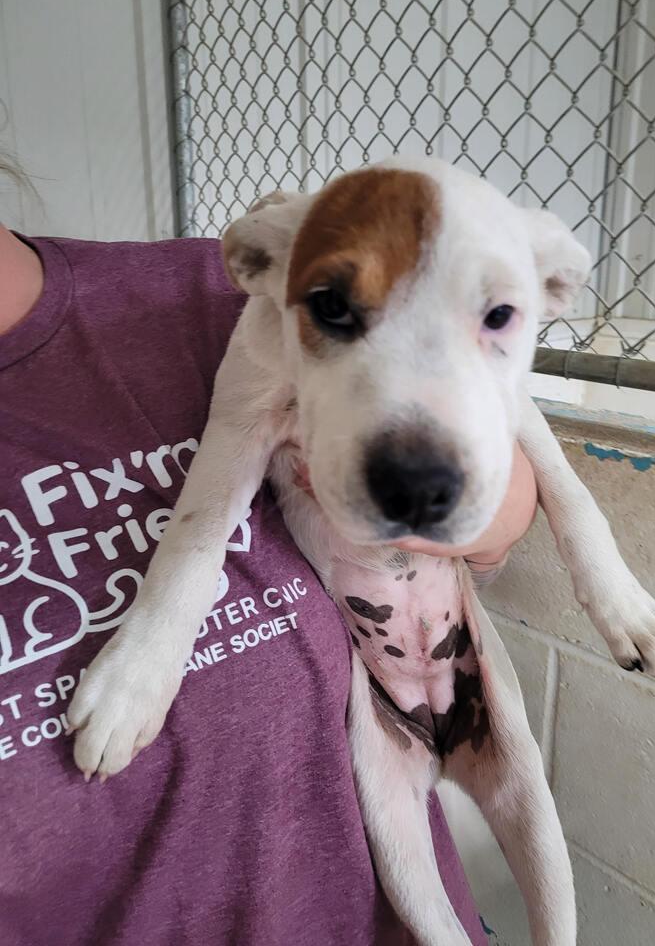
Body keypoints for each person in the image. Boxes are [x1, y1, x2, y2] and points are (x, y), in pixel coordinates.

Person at [0, 181, 538, 945]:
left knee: (526, 798)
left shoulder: (233, 287)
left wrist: (456, 490)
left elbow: (503, 521)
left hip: (409, 724)